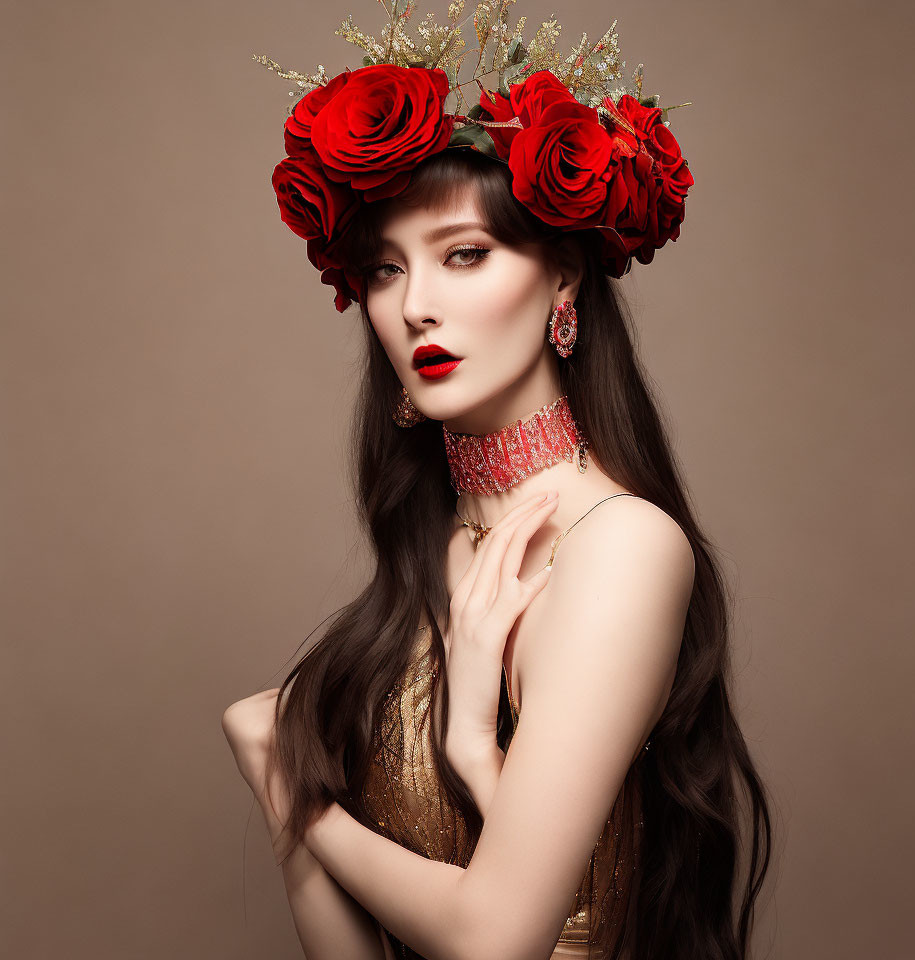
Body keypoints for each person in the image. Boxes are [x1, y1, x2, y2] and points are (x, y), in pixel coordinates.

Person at [223, 6, 772, 959]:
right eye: (385, 270)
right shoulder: (431, 545)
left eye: (463, 255)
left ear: (564, 281)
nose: (415, 307)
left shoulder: (621, 549)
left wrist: (288, 787)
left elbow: (494, 941)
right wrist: (471, 756)